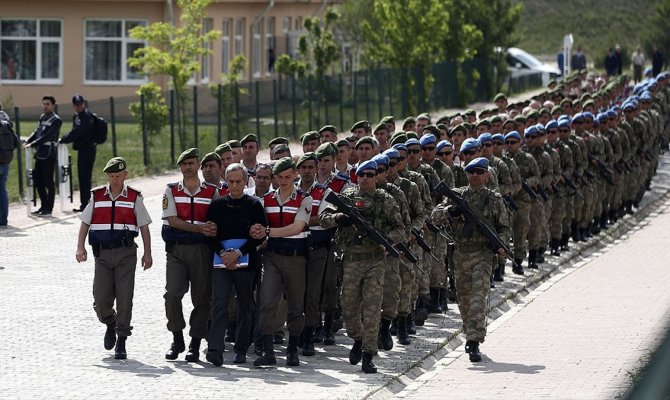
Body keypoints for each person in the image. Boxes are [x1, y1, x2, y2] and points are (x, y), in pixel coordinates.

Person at [320, 159, 405, 373]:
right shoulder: (347, 197)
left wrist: (385, 239)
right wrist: (339, 217)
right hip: (350, 260)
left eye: (369, 174)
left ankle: (368, 354)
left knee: (372, 308)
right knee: (348, 308)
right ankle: (357, 339)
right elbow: (323, 218)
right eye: (362, 175)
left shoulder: (385, 200)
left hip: (374, 260)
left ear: (377, 176)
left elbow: (400, 230)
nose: (365, 178)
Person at [431, 157, 510, 362]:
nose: (475, 175)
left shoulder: (494, 199)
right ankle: (470, 332)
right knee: (464, 300)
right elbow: (435, 215)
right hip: (460, 254)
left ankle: (474, 341)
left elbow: (504, 227)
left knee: (477, 298)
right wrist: (451, 211)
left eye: (479, 171)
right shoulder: (456, 196)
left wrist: (501, 244)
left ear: (487, 174)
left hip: (483, 254)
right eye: (471, 171)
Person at [74, 157, 152, 359]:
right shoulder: (97, 196)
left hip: (126, 254)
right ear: (107, 176)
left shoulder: (135, 197)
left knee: (125, 299)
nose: (115, 180)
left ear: (125, 175)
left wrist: (148, 253)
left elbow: (144, 226)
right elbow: (85, 222)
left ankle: (122, 340)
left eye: (118, 175)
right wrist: (80, 247)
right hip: (102, 255)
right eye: (111, 176)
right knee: (100, 299)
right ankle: (110, 322)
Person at [250, 157, 312, 367]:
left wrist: (268, 232)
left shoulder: (304, 199)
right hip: (272, 258)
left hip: (297, 258)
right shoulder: (265, 200)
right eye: (280, 177)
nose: (284, 181)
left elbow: (297, 227)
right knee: (267, 302)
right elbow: (257, 228)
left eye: (288, 176)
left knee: (295, 307)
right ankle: (268, 351)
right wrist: (257, 232)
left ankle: (292, 349)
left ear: (295, 175)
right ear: (274, 178)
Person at [205, 163, 267, 366]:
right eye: (230, 181)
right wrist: (224, 254)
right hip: (221, 261)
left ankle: (241, 349)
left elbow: (259, 235)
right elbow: (211, 234)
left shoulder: (254, 205)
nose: (234, 185)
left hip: (247, 262)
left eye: (238, 181)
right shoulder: (217, 205)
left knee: (245, 305)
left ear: (245, 181)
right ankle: (215, 348)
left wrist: (238, 253)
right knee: (220, 303)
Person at [161, 148, 218, 362]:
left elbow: (216, 221)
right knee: (172, 294)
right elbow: (172, 220)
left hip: (203, 251)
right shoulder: (171, 190)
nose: (187, 168)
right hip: (177, 250)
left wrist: (210, 230)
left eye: (191, 163)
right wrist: (200, 229)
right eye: (183, 164)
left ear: (199, 165)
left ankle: (195, 343)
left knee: (202, 298)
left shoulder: (212, 192)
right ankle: (177, 338)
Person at [24, 96, 62, 216]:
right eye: (44, 104)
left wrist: (33, 144)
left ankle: (48, 208)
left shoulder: (56, 120)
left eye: (48, 104)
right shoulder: (42, 117)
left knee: (48, 182)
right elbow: (37, 132)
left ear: (53, 105)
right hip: (40, 153)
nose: (45, 106)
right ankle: (43, 206)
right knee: (38, 181)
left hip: (48, 154)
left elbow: (47, 136)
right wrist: (28, 140)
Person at [60, 95, 96, 212]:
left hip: (88, 149)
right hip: (82, 149)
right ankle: (84, 203)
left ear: (84, 104)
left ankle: (86, 204)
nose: (78, 106)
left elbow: (79, 132)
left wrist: (65, 139)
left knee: (85, 177)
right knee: (82, 176)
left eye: (80, 104)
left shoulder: (86, 116)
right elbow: (75, 131)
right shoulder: (77, 116)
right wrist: (66, 137)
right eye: (76, 105)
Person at [0, 110, 19, 227]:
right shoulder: (6, 120)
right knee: (2, 191)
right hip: (6, 161)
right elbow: (16, 142)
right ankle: (3, 220)